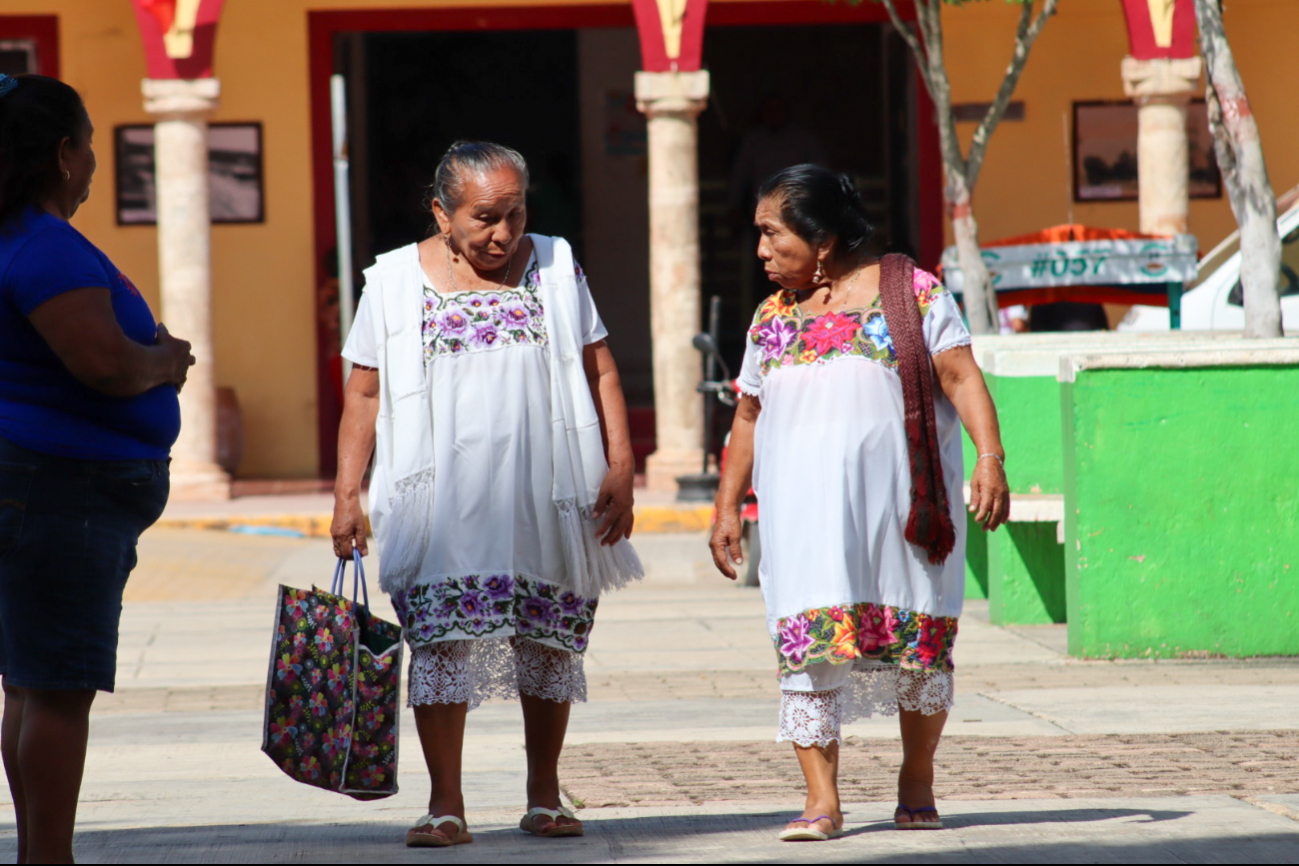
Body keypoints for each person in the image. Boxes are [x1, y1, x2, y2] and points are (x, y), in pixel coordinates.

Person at [331, 141, 642, 848]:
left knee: (549, 640)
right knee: (440, 644)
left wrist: (620, 466)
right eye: (483, 218)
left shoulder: (557, 265)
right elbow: (364, 392)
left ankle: (543, 795)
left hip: (546, 491)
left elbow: (600, 369)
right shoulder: (390, 282)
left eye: (514, 213)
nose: (503, 233)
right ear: (441, 213)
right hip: (439, 502)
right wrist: (348, 494)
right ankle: (446, 804)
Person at [710, 165, 1010, 841]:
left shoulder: (912, 293)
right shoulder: (770, 319)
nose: (759, 250)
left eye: (769, 233)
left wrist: (989, 458)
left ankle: (916, 779)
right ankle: (821, 802)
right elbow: (748, 417)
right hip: (802, 527)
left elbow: (961, 377)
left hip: (902, 521)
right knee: (805, 650)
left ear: (819, 238)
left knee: (918, 650)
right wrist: (726, 507)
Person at [0, 74, 194, 862]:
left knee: (29, 682)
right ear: (62, 155)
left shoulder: (17, 235)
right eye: (87, 147)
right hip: (60, 490)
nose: (91, 166)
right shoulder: (44, 244)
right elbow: (103, 365)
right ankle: (50, 854)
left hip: (44, 481)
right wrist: (164, 361)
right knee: (54, 687)